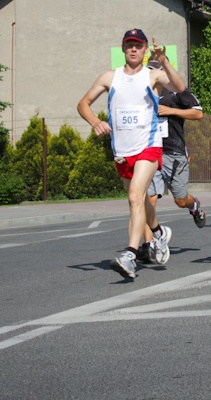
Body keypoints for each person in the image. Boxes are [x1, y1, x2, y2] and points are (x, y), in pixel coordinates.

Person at [77, 29, 183, 279]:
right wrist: (95, 122)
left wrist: (164, 61)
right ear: (123, 48)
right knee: (140, 200)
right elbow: (83, 104)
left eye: (138, 45)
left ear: (145, 49)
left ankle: (130, 255)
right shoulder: (110, 77)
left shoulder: (153, 75)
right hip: (122, 151)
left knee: (135, 196)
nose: (133, 49)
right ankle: (158, 232)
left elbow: (180, 87)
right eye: (129, 45)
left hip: (148, 146)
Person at [145, 60, 207, 229]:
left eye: (156, 70)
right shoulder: (143, 92)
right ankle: (152, 240)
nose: (152, 74)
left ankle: (194, 206)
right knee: (149, 199)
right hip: (150, 151)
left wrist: (170, 111)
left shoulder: (176, 91)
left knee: (180, 200)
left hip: (174, 152)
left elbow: (198, 114)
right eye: (149, 70)